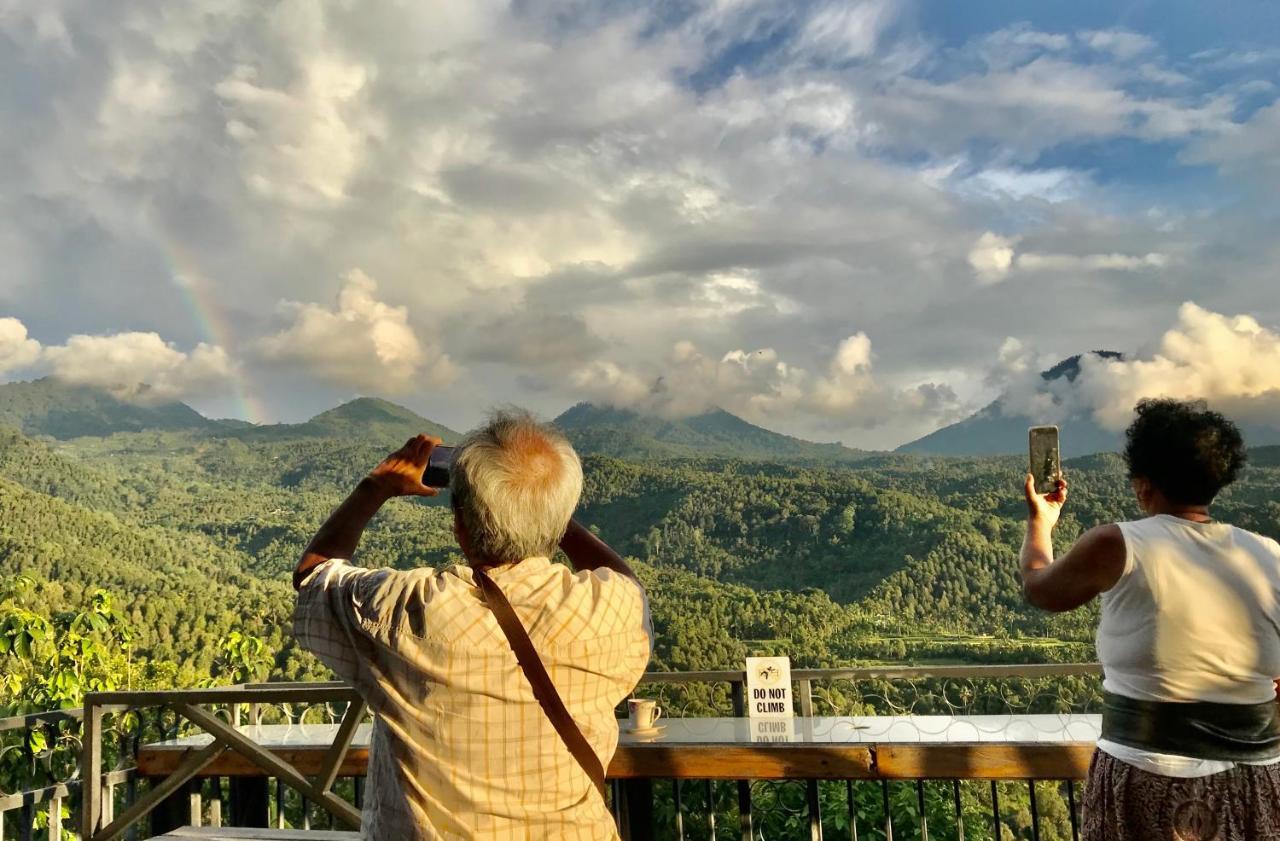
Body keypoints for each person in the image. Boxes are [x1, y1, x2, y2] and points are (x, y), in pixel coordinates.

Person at [293, 409, 653, 840]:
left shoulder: (403, 609)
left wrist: (377, 486)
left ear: (461, 526)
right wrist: (542, 511)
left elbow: (314, 575)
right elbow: (626, 580)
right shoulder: (608, 611)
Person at [1018, 398, 1280, 840]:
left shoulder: (1118, 543)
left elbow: (1040, 588)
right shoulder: (1269, 555)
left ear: (1143, 484)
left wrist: (1040, 522)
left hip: (1150, 773)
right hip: (1257, 778)